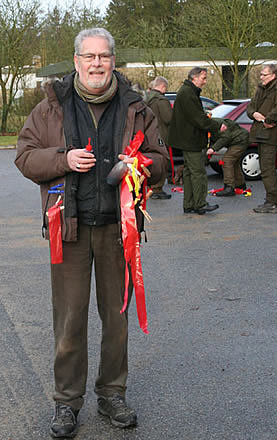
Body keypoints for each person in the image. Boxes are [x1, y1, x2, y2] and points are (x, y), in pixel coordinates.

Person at [15, 27, 168, 438]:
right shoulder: (51, 106)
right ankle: (67, 402)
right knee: (69, 321)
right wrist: (62, 158)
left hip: (120, 230)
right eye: (89, 56)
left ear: (113, 60)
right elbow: (25, 155)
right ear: (77, 61)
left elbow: (160, 160)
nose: (97, 63)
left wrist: (140, 167)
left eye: (103, 56)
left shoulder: (137, 106)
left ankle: (112, 393)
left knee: (116, 320)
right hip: (70, 227)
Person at [168, 67, 221, 215]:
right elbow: (198, 119)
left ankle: (190, 204)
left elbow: (195, 116)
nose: (205, 81)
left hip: (187, 139)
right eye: (203, 78)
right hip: (191, 140)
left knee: (189, 172)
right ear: (194, 78)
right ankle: (200, 204)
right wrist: (218, 125)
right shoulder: (188, 93)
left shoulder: (187, 91)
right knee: (198, 172)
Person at [247, 64, 277, 213]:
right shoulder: (261, 89)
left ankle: (272, 202)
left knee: (267, 169)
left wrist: (268, 120)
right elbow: (250, 107)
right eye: (260, 74)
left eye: (264, 75)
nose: (261, 77)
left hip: (271, 134)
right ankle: (272, 200)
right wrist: (254, 114)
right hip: (260, 132)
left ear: (273, 75)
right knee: (265, 168)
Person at [145, 76, 172, 199]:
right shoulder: (161, 100)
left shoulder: (146, 98)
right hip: (161, 134)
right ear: (162, 86)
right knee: (162, 161)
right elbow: (168, 119)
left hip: (147, 134)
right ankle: (157, 189)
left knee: (151, 160)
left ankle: (151, 187)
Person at [207, 118, 249, 196]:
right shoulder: (207, 125)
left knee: (226, 161)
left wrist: (213, 148)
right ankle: (240, 185)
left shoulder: (216, 123)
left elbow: (225, 137)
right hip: (236, 141)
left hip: (240, 140)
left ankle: (229, 188)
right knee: (234, 163)